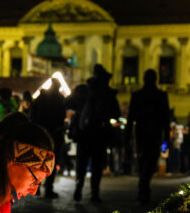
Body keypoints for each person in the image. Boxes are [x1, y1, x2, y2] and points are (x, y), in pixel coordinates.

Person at [72, 64, 120, 202]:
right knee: (96, 166)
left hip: (84, 133)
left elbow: (70, 103)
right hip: (100, 133)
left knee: (81, 164)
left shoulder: (84, 90)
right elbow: (116, 113)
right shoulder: (108, 93)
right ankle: (94, 193)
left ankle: (78, 188)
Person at [126, 69, 171, 204]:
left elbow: (130, 118)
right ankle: (144, 189)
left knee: (145, 162)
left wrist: (128, 135)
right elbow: (166, 119)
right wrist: (166, 137)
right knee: (148, 162)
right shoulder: (161, 95)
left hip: (143, 133)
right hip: (152, 134)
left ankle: (143, 188)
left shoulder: (138, 95)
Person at [30, 78, 66, 199]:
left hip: (41, 135)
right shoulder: (59, 99)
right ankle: (48, 189)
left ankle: (37, 187)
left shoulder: (41, 98)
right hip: (54, 135)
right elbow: (61, 118)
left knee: (39, 161)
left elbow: (33, 116)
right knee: (51, 162)